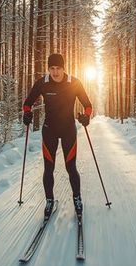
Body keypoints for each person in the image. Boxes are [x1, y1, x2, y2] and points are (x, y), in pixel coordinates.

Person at [22, 53, 92, 220]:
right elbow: (27, 103)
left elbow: (88, 105)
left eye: (58, 68)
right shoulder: (42, 83)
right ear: (48, 69)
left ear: (63, 68)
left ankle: (77, 198)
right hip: (49, 130)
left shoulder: (74, 83)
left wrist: (86, 116)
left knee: (71, 167)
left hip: (68, 130)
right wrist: (27, 113)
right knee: (49, 168)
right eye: (52, 68)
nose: (55, 72)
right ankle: (49, 200)